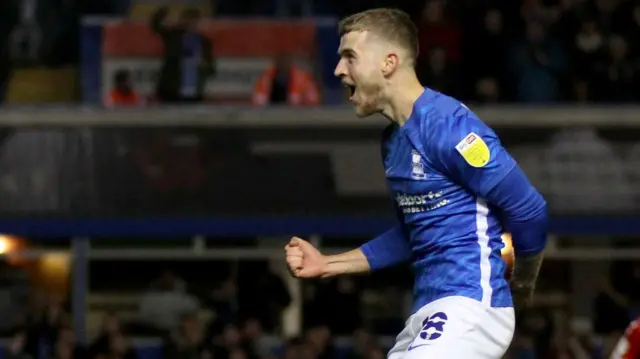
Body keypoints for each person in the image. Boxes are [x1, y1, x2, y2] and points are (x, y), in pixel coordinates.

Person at [284, 8, 547, 359]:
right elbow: (413, 232)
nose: (338, 70)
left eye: (350, 57)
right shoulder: (393, 142)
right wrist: (327, 264)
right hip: (431, 311)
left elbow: (528, 208)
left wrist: (524, 282)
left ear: (388, 63)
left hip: (471, 304)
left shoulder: (449, 126)